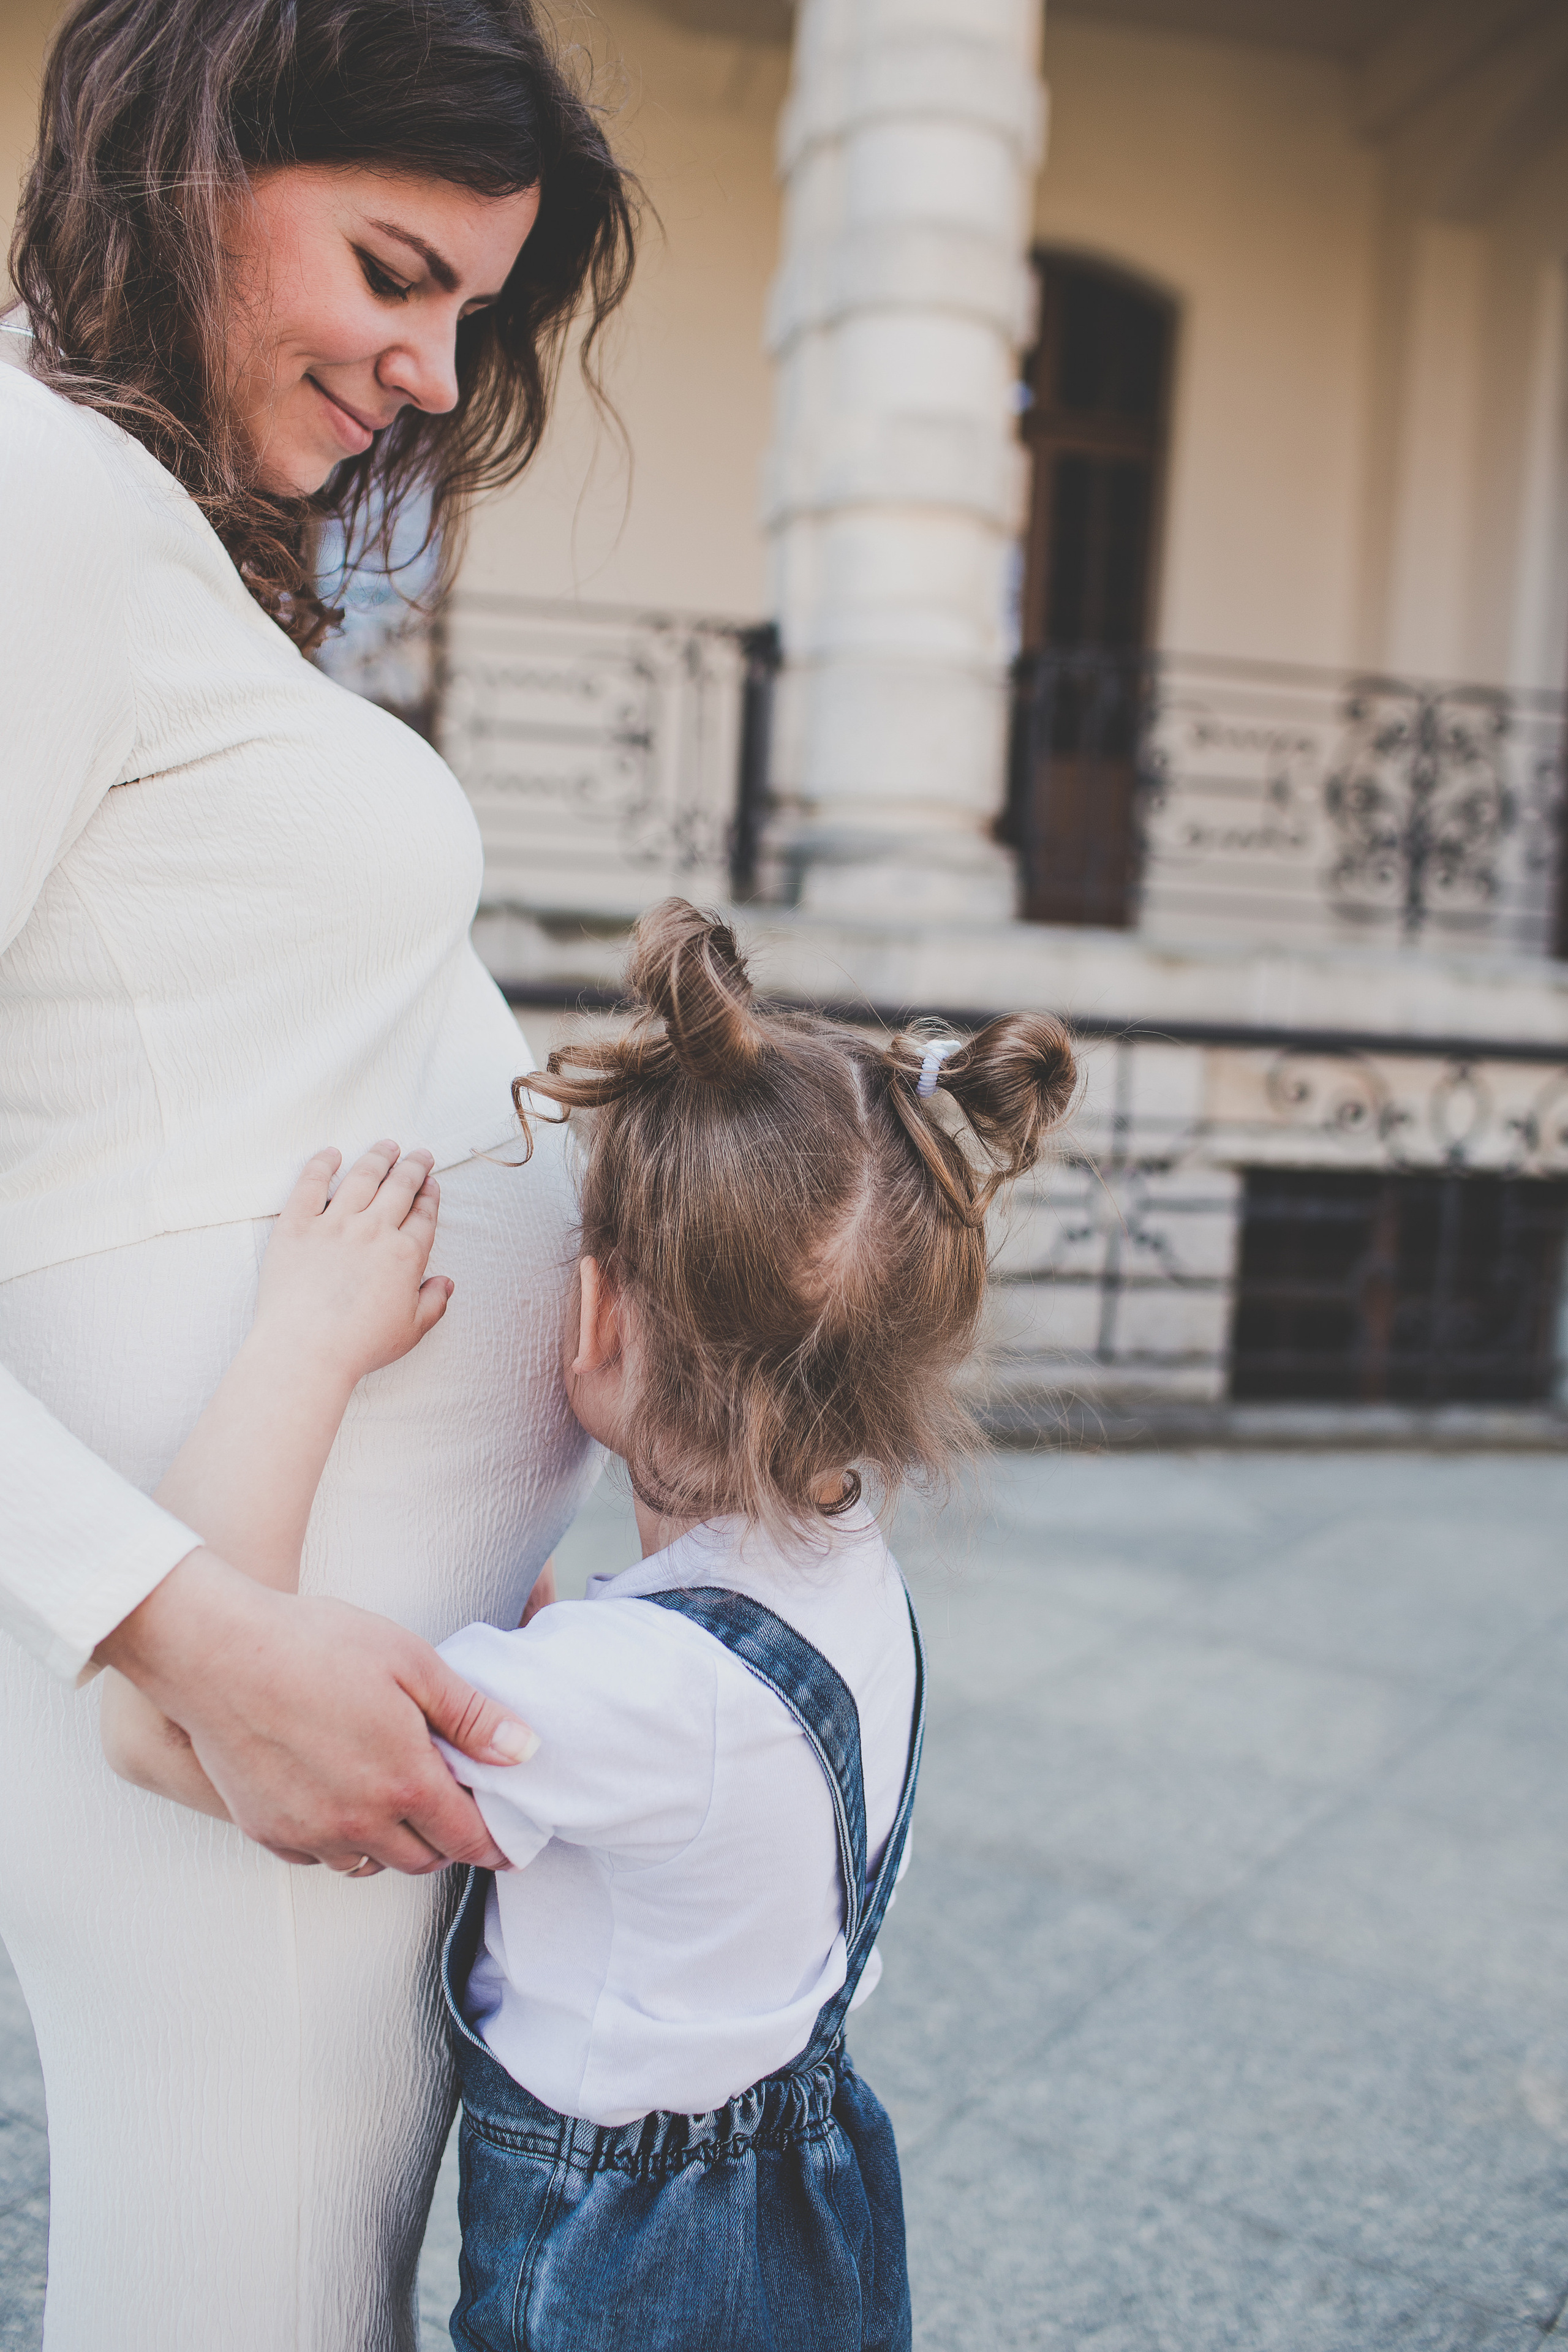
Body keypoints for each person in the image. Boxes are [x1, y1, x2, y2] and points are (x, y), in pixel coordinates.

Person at [0, 2, 636, 2344]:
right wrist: (187, 1622)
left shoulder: (115, 513)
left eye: (470, 310)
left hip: (305, 1700)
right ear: (184, 164)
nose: (434, 370)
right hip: (218, 1720)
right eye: (390, 269)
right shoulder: (33, 497)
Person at [107, 900, 1079, 2351]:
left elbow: (165, 1725)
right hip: (797, 2184)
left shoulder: (614, 1698)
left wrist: (304, 1338)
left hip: (625, 2256)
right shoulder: (846, 1575)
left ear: (592, 1317)